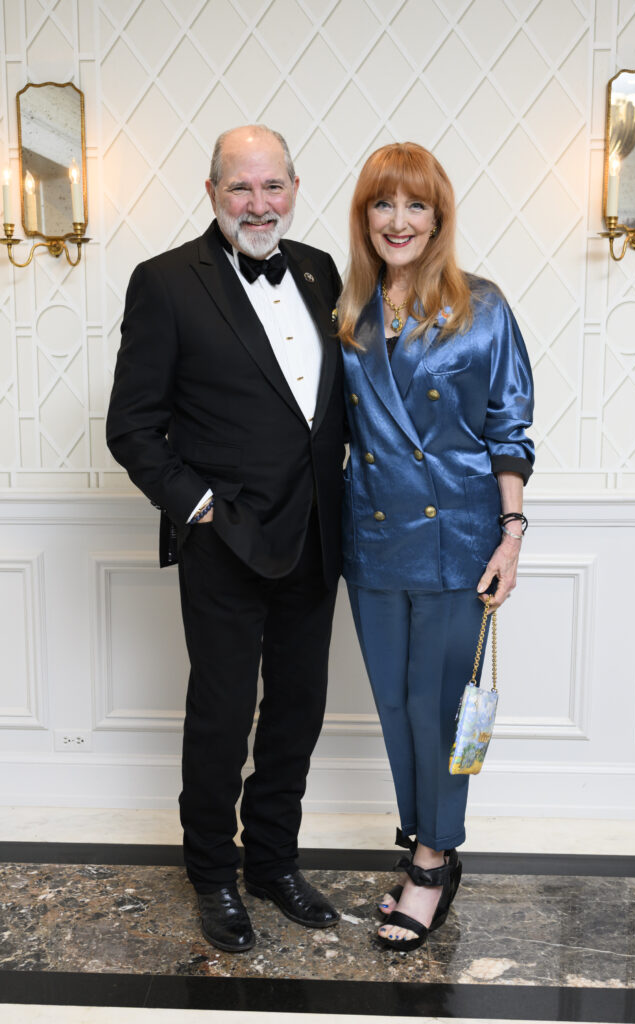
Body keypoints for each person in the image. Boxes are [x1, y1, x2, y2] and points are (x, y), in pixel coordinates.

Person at [106, 125, 345, 953]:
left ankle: (272, 863)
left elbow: (328, 407)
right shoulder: (166, 282)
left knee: (296, 713)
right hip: (224, 541)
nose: (258, 203)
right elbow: (132, 427)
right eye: (240, 188)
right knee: (220, 714)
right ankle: (212, 872)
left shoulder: (318, 269)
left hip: (316, 535)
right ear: (211, 192)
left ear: (294, 186)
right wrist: (199, 507)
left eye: (271, 186)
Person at [337, 142, 534, 952]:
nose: (399, 220)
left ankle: (430, 859)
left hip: (459, 539)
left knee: (440, 708)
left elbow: (507, 428)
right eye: (384, 205)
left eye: (415, 205)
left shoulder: (482, 307)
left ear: (438, 218)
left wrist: (511, 534)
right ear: (364, 218)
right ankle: (422, 840)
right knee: (392, 706)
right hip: (373, 538)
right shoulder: (344, 311)